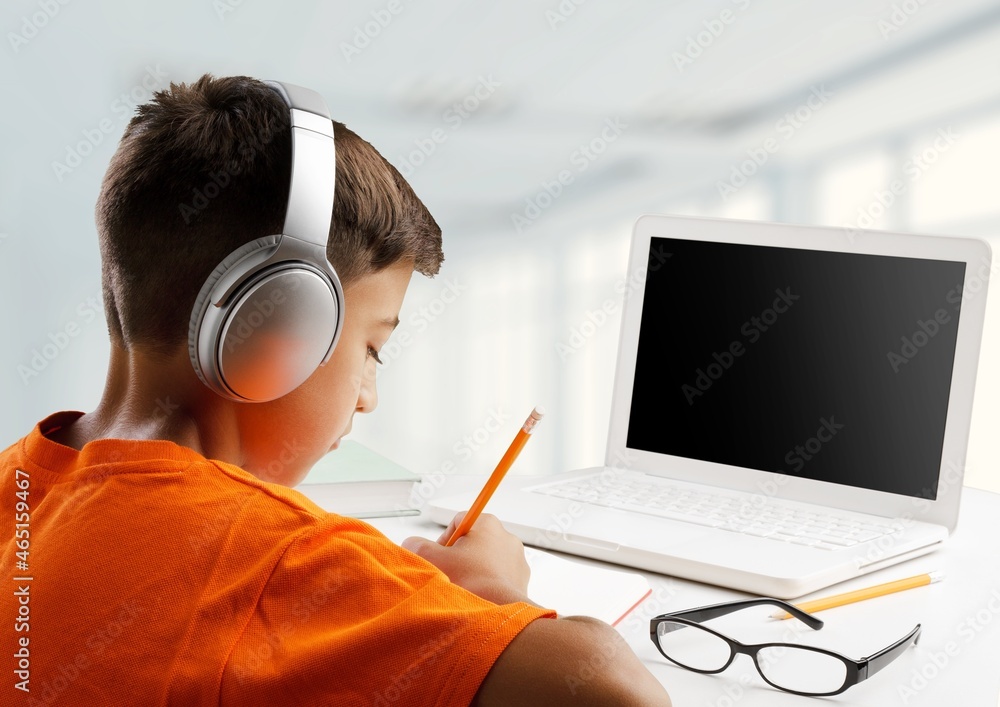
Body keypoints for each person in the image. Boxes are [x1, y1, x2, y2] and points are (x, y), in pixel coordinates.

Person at [0, 74, 670, 706]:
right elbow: (619, 691)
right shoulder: (272, 562)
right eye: (372, 347)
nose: (368, 395)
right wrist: (494, 588)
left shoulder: (17, 484)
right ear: (276, 320)